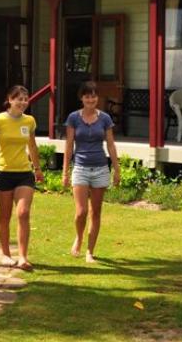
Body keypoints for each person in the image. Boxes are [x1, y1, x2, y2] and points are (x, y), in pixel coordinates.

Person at [0, 85, 44, 269]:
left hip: (24, 173)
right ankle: (5, 254)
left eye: (25, 99)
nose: (22, 102)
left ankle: (23, 257)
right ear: (10, 100)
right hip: (3, 173)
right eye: (19, 98)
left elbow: (33, 147)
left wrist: (37, 168)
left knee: (23, 213)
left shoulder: (29, 121)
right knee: (4, 216)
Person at [61, 81, 120, 262]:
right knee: (81, 212)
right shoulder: (73, 118)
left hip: (100, 168)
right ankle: (79, 237)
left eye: (94, 96)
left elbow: (110, 144)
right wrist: (65, 171)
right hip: (80, 167)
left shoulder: (104, 119)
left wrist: (116, 169)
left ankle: (90, 251)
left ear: (97, 98)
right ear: (82, 98)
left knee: (96, 211)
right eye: (87, 96)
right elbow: (69, 145)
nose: (91, 99)